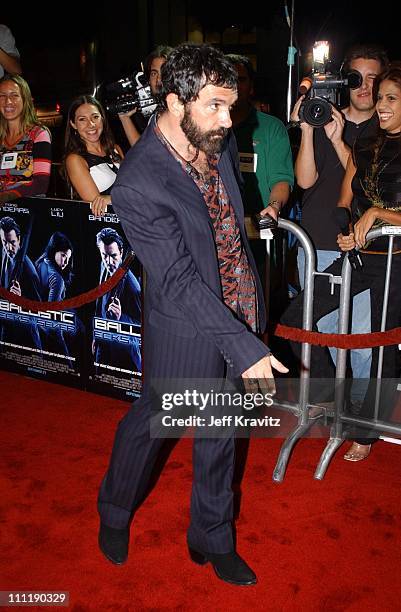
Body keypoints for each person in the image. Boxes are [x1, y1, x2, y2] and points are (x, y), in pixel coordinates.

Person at [97, 42, 287, 586]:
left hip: (241, 306)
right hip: (184, 324)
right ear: (176, 101)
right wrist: (245, 346)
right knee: (152, 424)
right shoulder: (139, 181)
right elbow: (178, 277)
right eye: (215, 106)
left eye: (232, 106)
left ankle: (211, 535)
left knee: (221, 430)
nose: (229, 120)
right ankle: (113, 511)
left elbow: (229, 227)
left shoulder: (215, 139)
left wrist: (250, 316)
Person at [281, 63, 401, 462]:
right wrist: (349, 224)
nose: (380, 102)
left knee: (375, 349)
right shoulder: (367, 144)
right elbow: (343, 196)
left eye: (389, 97)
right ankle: (336, 406)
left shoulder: (379, 138)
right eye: (378, 95)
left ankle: (364, 431)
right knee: (303, 320)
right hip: (351, 252)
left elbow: (374, 205)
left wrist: (378, 216)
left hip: (392, 262)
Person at [289, 44, 389, 382]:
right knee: (325, 333)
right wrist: (307, 127)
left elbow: (365, 179)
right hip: (315, 242)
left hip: (361, 250)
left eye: (374, 79)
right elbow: (304, 181)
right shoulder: (322, 116)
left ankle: (363, 425)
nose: (365, 86)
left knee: (362, 341)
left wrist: (337, 140)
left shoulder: (387, 130)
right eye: (356, 77)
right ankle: (338, 412)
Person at [226, 54, 294, 293]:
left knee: (262, 308)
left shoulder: (271, 128)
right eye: (227, 78)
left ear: (251, 87)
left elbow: (282, 179)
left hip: (260, 240)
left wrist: (273, 207)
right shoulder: (208, 127)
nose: (233, 85)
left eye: (240, 79)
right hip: (217, 239)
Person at [63, 95, 124, 216]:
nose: (91, 124)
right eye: (82, 119)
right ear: (73, 124)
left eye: (95, 117)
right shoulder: (75, 160)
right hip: (111, 224)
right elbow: (97, 207)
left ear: (102, 118)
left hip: (137, 217)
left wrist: (111, 199)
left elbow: (136, 184)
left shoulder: (116, 149)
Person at [94, 227, 141, 373]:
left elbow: (140, 325)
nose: (108, 261)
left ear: (121, 252)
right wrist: (96, 334)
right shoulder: (104, 266)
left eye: (113, 256)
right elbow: (99, 301)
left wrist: (121, 317)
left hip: (125, 356)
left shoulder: (133, 287)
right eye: (104, 255)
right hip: (104, 344)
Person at [0, 74, 52, 203]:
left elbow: (41, 184)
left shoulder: (39, 134)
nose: (8, 101)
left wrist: (7, 195)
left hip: (29, 215)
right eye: (2, 96)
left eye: (14, 95)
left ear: (25, 99)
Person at [0, 215, 42, 350]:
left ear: (19, 239)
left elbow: (39, 309)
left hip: (26, 338)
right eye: (4, 242)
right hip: (7, 330)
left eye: (12, 242)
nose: (8, 247)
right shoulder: (4, 251)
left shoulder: (29, 272)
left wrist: (21, 300)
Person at [118, 45, 173, 147]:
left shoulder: (183, 110)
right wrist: (125, 118)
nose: (159, 80)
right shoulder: (157, 114)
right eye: (154, 74)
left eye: (165, 73)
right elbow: (143, 151)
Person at [35, 232, 74, 358]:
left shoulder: (41, 261)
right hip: (50, 333)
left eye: (68, 257)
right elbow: (51, 318)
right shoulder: (57, 279)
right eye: (63, 255)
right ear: (54, 251)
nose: (66, 262)